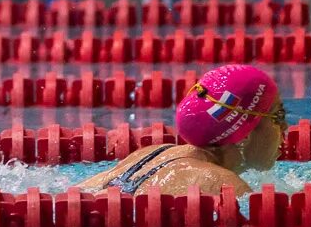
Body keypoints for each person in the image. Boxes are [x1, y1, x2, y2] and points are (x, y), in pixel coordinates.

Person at [79, 64, 287, 196]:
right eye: (278, 117)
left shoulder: (153, 153)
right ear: (245, 131)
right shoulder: (222, 185)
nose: (285, 127)